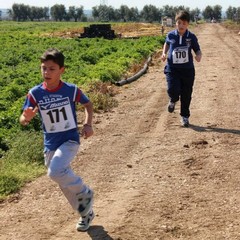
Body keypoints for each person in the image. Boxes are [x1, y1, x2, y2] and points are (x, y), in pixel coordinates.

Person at [19, 48, 94, 231]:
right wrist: (26, 117)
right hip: (50, 143)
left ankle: (85, 192)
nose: (47, 73)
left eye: (52, 69)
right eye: (43, 68)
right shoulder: (35, 93)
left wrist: (88, 124)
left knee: (55, 172)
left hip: (69, 140)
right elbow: (23, 120)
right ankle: (85, 214)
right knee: (62, 180)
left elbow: (88, 104)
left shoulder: (71, 90)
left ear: (62, 70)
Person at [161, 10, 202, 127]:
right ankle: (173, 100)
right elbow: (167, 43)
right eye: (179, 23)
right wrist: (164, 53)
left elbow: (197, 49)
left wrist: (198, 55)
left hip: (187, 70)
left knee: (186, 94)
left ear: (188, 24)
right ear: (176, 23)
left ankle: (185, 117)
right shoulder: (170, 35)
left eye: (184, 23)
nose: (181, 26)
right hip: (172, 69)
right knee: (173, 89)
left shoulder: (191, 37)